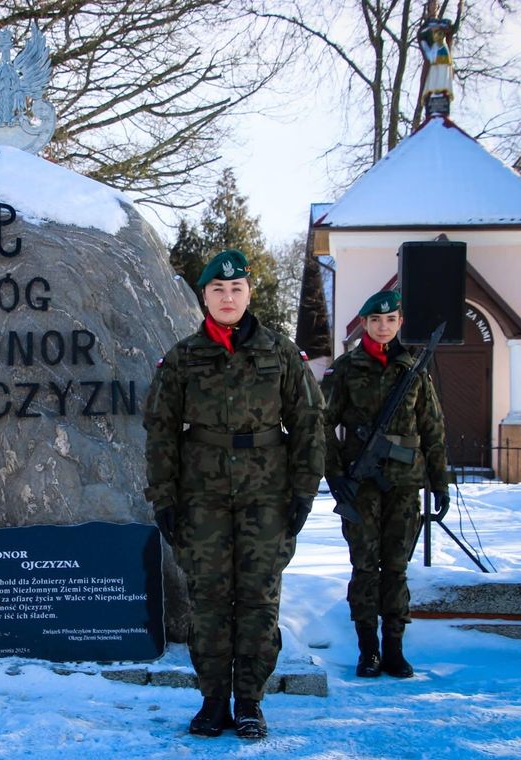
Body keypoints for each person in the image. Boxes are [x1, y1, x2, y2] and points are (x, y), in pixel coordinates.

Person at [143, 249, 325, 740]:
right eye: (218, 290)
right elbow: (160, 430)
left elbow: (309, 425)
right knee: (208, 601)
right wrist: (164, 497)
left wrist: (303, 493)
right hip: (200, 497)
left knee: (258, 601)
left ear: (249, 294)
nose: (227, 297)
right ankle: (212, 700)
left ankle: (249, 700)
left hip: (266, 497)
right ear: (204, 296)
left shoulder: (281, 353)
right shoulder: (182, 357)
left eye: (236, 289)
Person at [320, 289, 449, 679]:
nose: (383, 327)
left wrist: (439, 482)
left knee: (396, 568)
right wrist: (336, 473)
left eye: (390, 320)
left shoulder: (414, 369)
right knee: (364, 567)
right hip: (361, 486)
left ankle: (394, 649)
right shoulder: (345, 369)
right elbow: (321, 423)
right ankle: (368, 650)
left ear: (399, 322)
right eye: (375, 320)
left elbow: (432, 428)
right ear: (364, 323)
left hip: (405, 486)